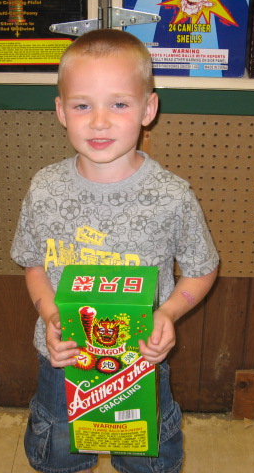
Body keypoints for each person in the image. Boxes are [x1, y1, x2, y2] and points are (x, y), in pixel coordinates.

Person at [11, 28, 219, 473]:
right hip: (63, 360)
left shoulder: (172, 195)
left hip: (142, 359)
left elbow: (202, 269)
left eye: (119, 104)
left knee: (147, 461)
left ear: (149, 109)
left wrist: (167, 315)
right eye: (82, 105)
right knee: (59, 456)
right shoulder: (44, 189)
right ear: (61, 112)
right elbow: (32, 263)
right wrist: (51, 317)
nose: (99, 121)